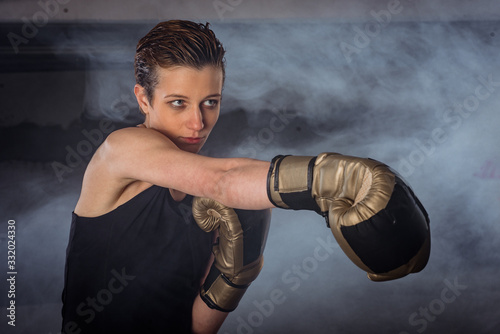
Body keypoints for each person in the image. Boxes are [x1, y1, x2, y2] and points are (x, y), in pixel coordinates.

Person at [62, 19, 430, 334]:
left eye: (211, 102)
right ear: (143, 100)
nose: (197, 122)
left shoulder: (207, 202)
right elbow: (224, 178)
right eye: (178, 103)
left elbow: (196, 326)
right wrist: (335, 180)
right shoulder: (121, 150)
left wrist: (237, 273)